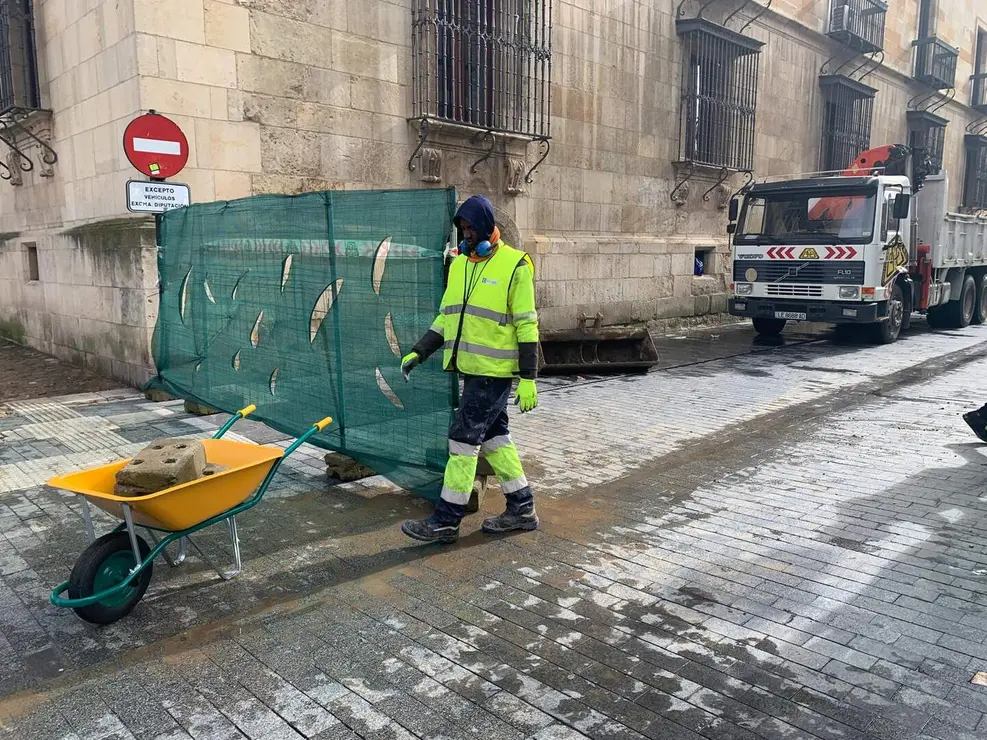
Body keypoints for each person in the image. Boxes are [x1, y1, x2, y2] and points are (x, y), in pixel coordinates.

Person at [400, 194, 539, 543]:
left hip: (495, 373)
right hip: (471, 369)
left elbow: (527, 324)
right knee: (494, 439)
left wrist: (528, 377)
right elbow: (446, 317)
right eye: (461, 228)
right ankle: (522, 508)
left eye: (471, 227)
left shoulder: (515, 265)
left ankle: (446, 520)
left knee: (462, 441)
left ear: (487, 226)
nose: (466, 233)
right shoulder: (460, 264)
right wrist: (419, 351)